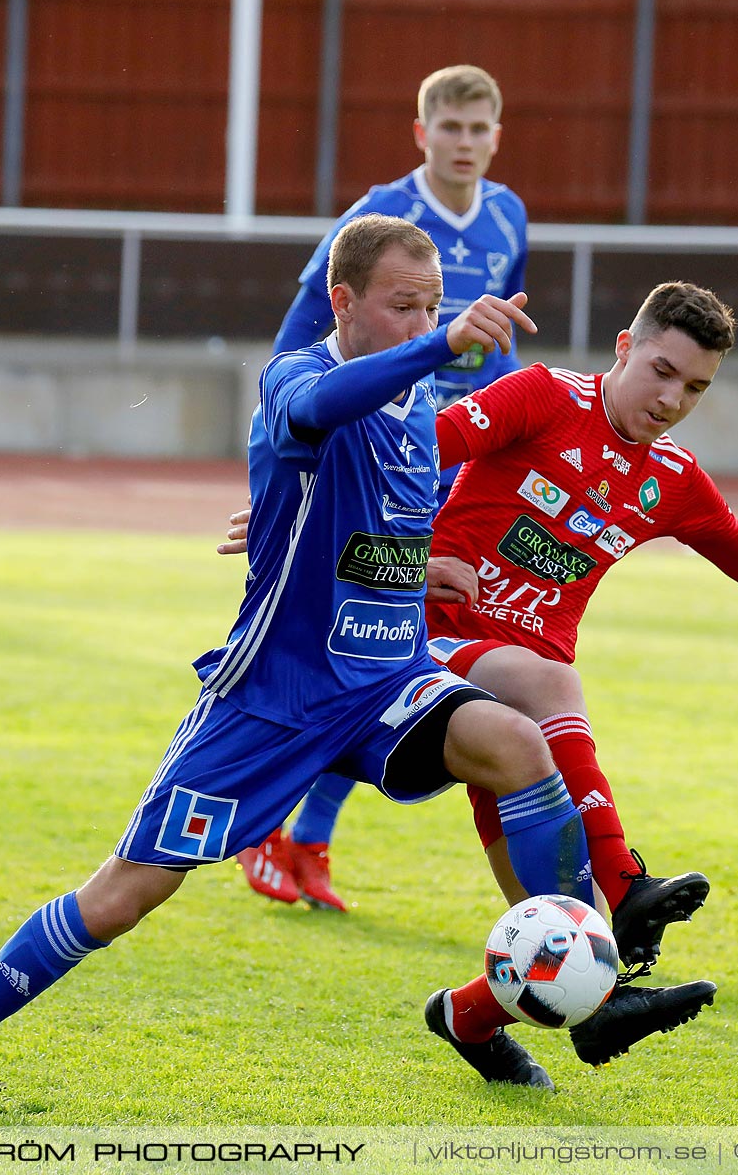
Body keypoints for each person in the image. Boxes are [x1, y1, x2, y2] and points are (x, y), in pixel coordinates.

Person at [0, 215, 604, 1118]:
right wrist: (441, 342)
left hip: (384, 684)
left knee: (519, 745)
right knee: (122, 898)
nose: (422, 324)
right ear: (343, 299)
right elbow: (316, 415)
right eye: (404, 306)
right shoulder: (297, 377)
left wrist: (424, 566)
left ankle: (568, 970)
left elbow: (363, 546)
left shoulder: (416, 417)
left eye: (432, 307)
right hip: (273, 697)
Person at [225, 282, 738, 1077]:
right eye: (661, 370)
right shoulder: (544, 397)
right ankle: (627, 886)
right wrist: (298, 513)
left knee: (560, 924)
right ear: (625, 344)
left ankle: (472, 1017)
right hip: (425, 644)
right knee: (551, 685)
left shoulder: (674, 480)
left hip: (515, 696)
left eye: (695, 387)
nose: (672, 398)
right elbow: (400, 455)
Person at [243, 64, 530, 912]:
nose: (467, 144)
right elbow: (298, 346)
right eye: (452, 128)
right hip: (361, 461)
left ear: (497, 137)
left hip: (447, 463)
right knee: (351, 646)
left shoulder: (509, 214)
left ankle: (308, 837)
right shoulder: (381, 215)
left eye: (481, 130)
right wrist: (280, 474)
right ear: (422, 133)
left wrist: (516, 425)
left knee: (402, 656)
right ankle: (271, 821)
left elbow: (496, 344)